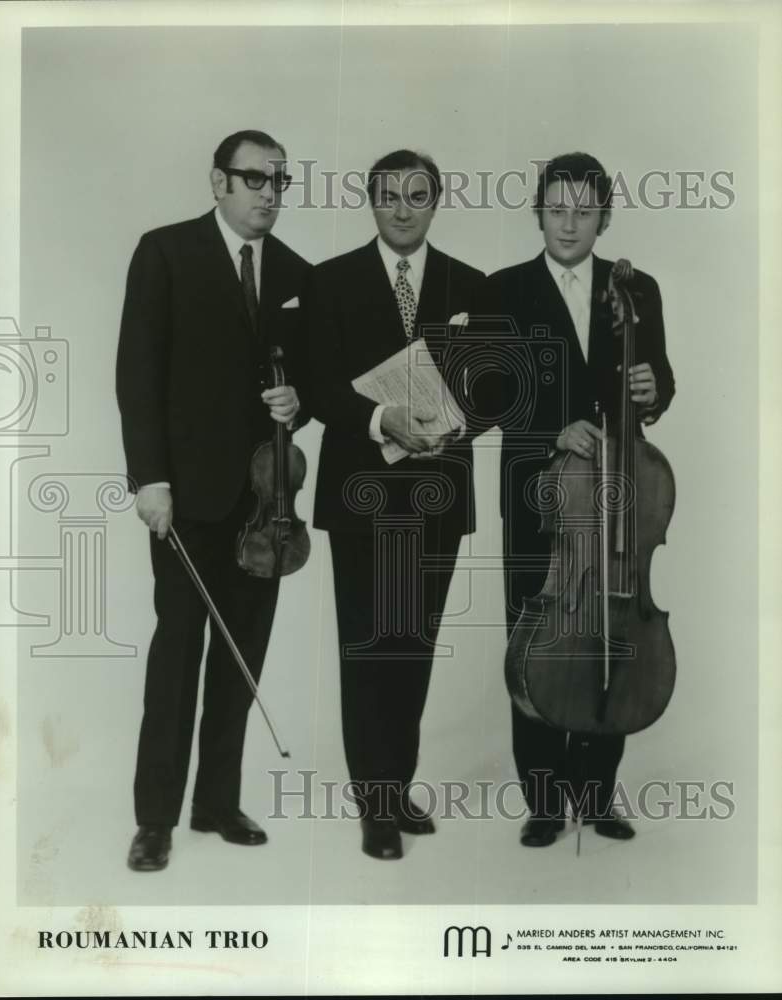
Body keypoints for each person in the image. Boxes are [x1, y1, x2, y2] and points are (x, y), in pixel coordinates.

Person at [116, 129, 311, 871]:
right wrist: (150, 479)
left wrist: (304, 400)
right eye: (254, 179)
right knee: (177, 655)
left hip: (267, 499)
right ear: (217, 182)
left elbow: (311, 379)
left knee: (241, 656)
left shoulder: (295, 270)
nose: (268, 193)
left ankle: (216, 802)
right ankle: (155, 817)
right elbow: (137, 374)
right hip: (186, 497)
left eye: (279, 182)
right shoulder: (164, 252)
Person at [471, 152, 675, 848]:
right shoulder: (505, 290)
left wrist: (654, 389)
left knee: (612, 630)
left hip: (616, 492)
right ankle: (542, 798)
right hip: (539, 489)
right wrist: (548, 425)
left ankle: (596, 791)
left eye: (581, 210)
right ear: (538, 211)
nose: (567, 222)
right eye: (555, 208)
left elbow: (661, 380)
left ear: (602, 216)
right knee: (539, 635)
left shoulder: (635, 287)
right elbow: (485, 397)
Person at [304, 149, 484, 860]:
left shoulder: (467, 283)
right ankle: (373, 805)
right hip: (360, 492)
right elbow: (319, 386)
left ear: (435, 201)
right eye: (388, 196)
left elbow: (496, 388)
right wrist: (381, 422)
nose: (402, 208)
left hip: (438, 494)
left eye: (416, 195)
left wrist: (456, 418)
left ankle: (397, 785)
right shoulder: (330, 281)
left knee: (412, 646)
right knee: (367, 646)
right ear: (370, 201)